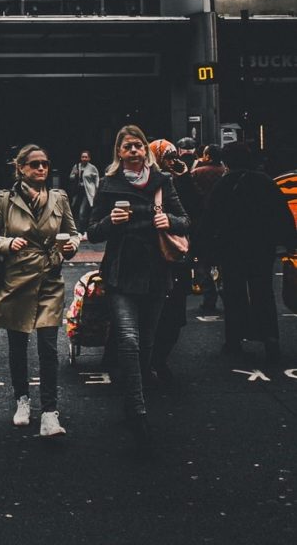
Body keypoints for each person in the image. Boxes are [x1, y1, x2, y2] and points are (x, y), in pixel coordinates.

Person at [87, 125, 189, 449]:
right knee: (128, 340)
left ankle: (134, 396)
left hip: (157, 275)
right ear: (119, 152)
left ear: (146, 150)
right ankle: (138, 411)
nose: (134, 151)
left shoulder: (162, 182)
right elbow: (92, 232)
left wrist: (169, 221)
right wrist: (109, 223)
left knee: (146, 344)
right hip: (121, 275)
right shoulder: (109, 185)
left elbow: (185, 220)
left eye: (139, 146)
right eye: (128, 146)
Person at [0, 144, 79, 436]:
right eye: (34, 164)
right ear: (20, 168)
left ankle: (50, 411)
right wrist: (8, 244)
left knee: (48, 348)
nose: (41, 169)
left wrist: (71, 246)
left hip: (49, 279)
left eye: (45, 164)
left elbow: (73, 233)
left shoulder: (59, 199)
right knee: (18, 346)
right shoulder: (4, 201)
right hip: (17, 280)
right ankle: (22, 400)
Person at [198, 141, 296, 363]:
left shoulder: (225, 184)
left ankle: (234, 341)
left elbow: (210, 218)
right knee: (263, 291)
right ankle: (271, 339)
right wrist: (290, 242)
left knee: (234, 294)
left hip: (231, 248)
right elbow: (281, 213)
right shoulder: (265, 182)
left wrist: (201, 249)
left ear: (227, 161)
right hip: (262, 247)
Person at [147, 139, 194, 383]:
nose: (172, 161)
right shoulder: (145, 180)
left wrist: (184, 179)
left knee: (174, 316)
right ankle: (148, 361)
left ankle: (159, 359)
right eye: (166, 156)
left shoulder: (181, 180)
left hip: (176, 255)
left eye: (174, 156)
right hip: (149, 256)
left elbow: (191, 215)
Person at [188, 143, 226, 311]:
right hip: (223, 224)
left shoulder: (196, 173)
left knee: (202, 261)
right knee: (224, 261)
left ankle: (209, 297)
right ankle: (226, 292)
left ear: (208, 156)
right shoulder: (225, 173)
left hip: (201, 223)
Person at [67, 150, 99, 236]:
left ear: (89, 158)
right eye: (82, 157)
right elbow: (71, 177)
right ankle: (81, 230)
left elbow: (97, 179)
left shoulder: (92, 168)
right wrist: (75, 174)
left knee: (83, 211)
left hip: (88, 192)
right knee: (74, 209)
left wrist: (96, 190)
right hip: (78, 191)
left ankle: (82, 231)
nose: (84, 158)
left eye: (86, 157)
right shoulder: (77, 166)